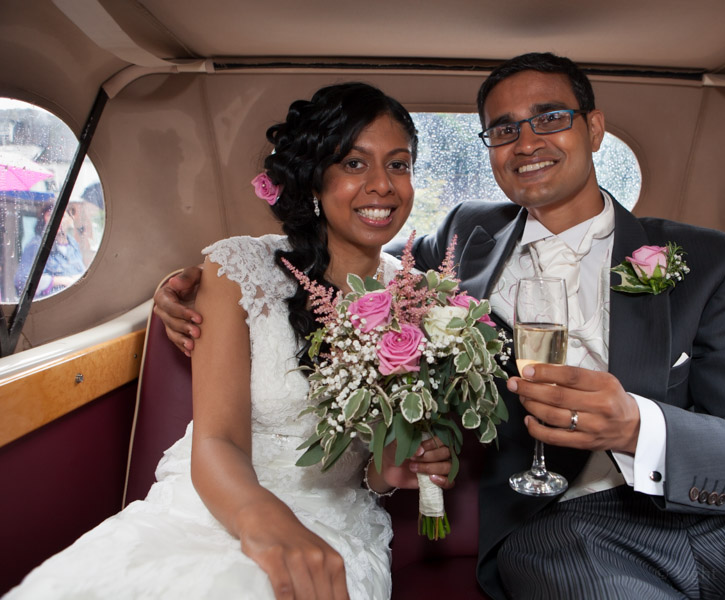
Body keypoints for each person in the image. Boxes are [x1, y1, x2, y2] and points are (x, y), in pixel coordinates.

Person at [154, 54, 725, 599]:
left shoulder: (707, 259)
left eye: (551, 117)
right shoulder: (459, 242)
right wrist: (185, 288)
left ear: (596, 128)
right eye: (503, 129)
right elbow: (345, 270)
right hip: (571, 523)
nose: (528, 141)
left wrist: (637, 423)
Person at [7, 82, 453, 600]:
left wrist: (393, 471)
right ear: (314, 178)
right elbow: (216, 440)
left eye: (398, 165)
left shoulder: (420, 300)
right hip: (210, 500)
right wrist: (263, 520)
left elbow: (373, 475)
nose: (382, 185)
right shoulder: (236, 268)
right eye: (354, 164)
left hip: (335, 519)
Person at [14, 203, 85, 299]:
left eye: (62, 216)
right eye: (50, 215)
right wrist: (60, 280)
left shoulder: (73, 244)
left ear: (70, 219)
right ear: (44, 219)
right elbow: (22, 282)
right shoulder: (37, 245)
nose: (57, 220)